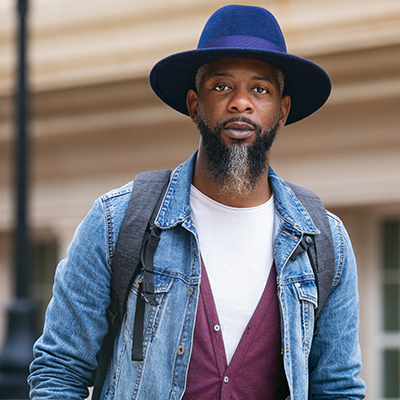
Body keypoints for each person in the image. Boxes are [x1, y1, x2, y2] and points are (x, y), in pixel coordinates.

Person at [28, 4, 366, 399]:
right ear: (194, 105)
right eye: (222, 87)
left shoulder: (325, 241)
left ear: (282, 111)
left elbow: (338, 387)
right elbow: (59, 370)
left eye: (260, 89)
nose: (241, 103)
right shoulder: (117, 221)